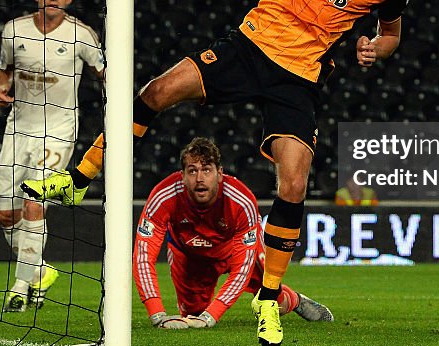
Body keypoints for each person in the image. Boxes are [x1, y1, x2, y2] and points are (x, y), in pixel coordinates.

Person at [25, 0, 413, 346]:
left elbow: (390, 33)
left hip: (298, 75)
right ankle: (79, 179)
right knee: (157, 90)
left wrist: (377, 49)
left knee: (294, 181)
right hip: (249, 46)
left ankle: (268, 299)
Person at [0, 0, 105, 312]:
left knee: (33, 202)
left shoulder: (81, 35)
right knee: (6, 216)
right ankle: (40, 270)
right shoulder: (14, 31)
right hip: (18, 129)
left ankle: (20, 286)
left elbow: (104, 71)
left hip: (58, 130)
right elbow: (3, 71)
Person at [134, 136, 333, 330]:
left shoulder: (241, 200)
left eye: (206, 170)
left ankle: (293, 299)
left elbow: (242, 268)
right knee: (193, 317)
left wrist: (212, 316)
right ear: (182, 176)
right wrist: (157, 314)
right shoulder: (163, 196)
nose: (200, 178)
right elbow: (143, 256)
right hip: (189, 257)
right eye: (192, 171)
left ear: (220, 173)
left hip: (232, 251)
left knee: (270, 296)